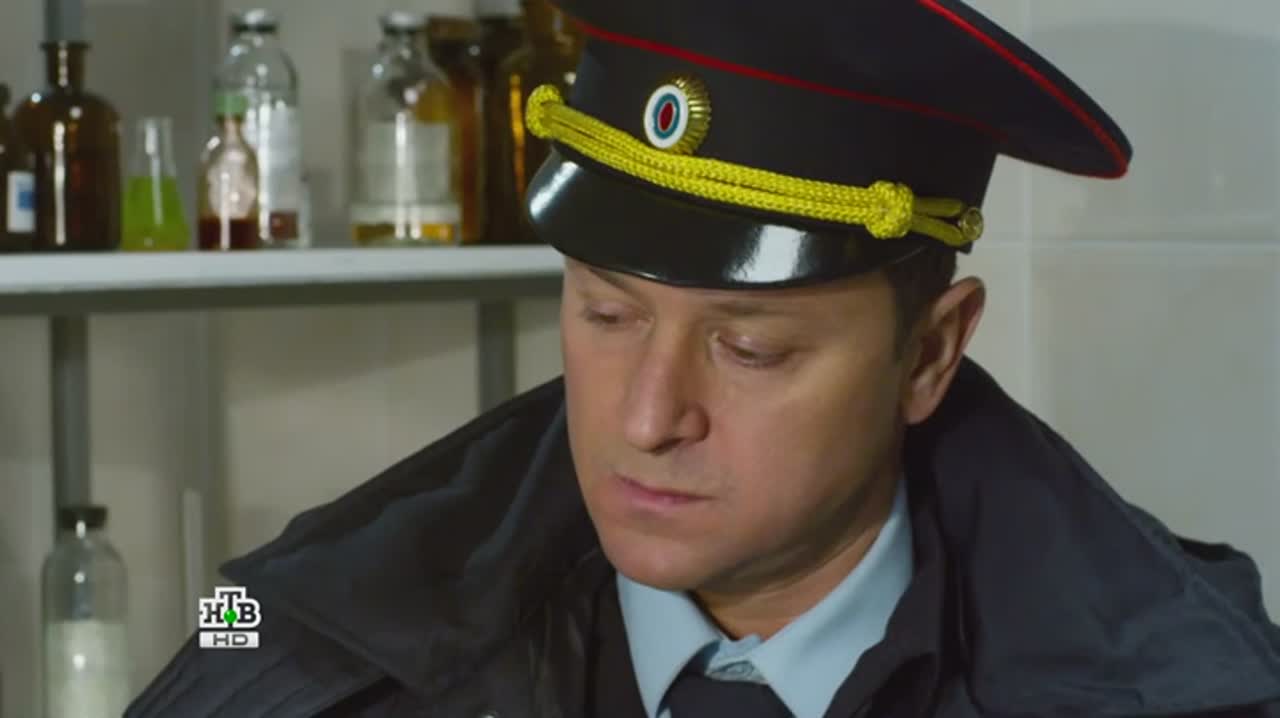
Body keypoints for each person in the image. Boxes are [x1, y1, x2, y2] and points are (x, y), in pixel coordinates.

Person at [126, 0, 1280, 716]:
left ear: (927, 353)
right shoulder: (287, 630)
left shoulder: (1189, 682)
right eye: (606, 313)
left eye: (748, 346)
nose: (645, 417)